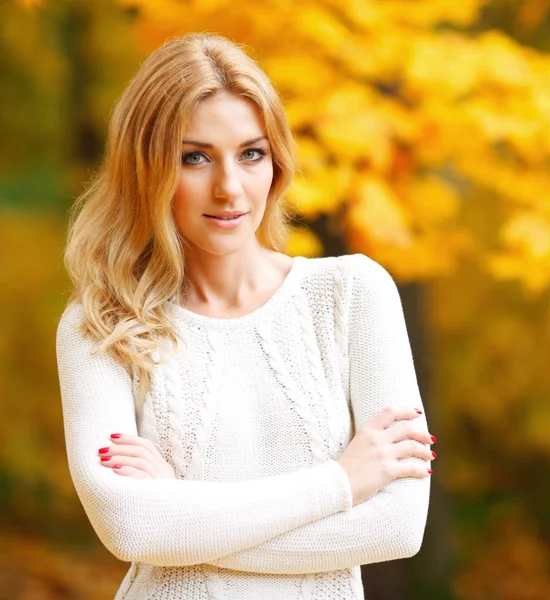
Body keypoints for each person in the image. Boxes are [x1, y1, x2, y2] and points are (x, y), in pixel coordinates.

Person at [55, 32, 435, 600]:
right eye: (195, 157)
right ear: (147, 169)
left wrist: (182, 509)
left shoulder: (353, 294)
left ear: (275, 162)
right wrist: (343, 481)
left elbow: (396, 526)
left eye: (250, 153)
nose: (230, 188)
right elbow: (133, 527)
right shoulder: (102, 323)